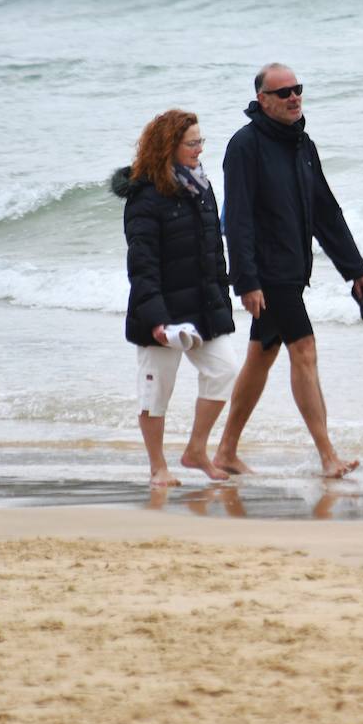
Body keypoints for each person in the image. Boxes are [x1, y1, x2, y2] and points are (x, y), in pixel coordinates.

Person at [213, 63, 363, 479]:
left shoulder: (303, 145)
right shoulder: (245, 146)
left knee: (261, 355)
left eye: (297, 89)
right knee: (304, 351)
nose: (293, 98)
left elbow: (326, 213)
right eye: (283, 92)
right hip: (269, 273)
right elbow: (237, 218)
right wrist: (246, 280)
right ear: (262, 100)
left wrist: (356, 271)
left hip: (292, 268)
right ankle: (328, 456)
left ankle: (226, 451)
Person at [112, 109, 238, 487]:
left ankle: (196, 451)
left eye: (201, 141)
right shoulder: (145, 196)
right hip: (161, 314)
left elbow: (215, 251)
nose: (200, 149)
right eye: (192, 143)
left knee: (224, 370)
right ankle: (158, 468)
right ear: (169, 146)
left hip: (202, 307)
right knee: (155, 393)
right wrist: (157, 321)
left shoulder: (202, 187)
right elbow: (142, 265)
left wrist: (222, 299)